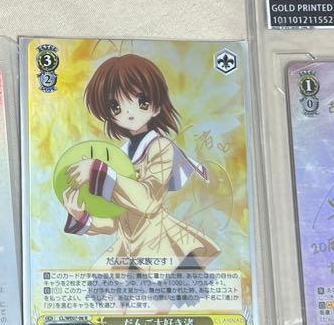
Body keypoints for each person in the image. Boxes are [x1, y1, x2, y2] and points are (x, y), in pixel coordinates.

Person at [62, 53, 219, 270]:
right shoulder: (120, 156)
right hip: (128, 250)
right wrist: (81, 217)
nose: (129, 112)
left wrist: (99, 172)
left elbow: (148, 201)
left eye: (141, 102)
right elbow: (115, 219)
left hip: (160, 247)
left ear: (156, 106)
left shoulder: (161, 147)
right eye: (116, 107)